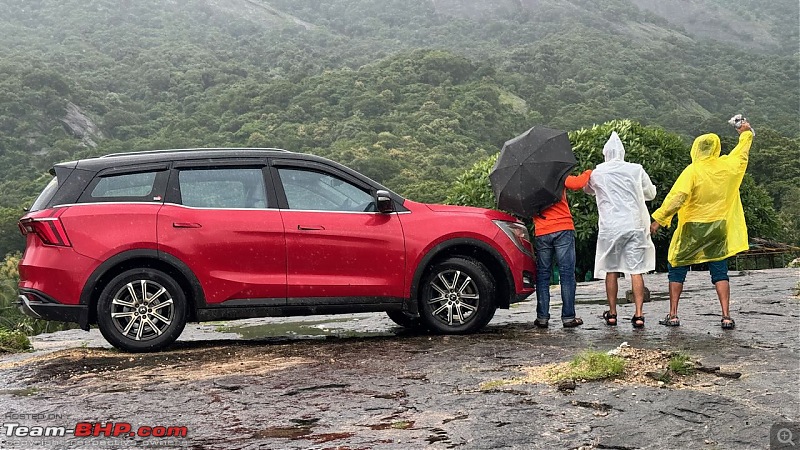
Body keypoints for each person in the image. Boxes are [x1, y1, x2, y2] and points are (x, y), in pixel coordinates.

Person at [650, 120, 754, 329]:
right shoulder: (727, 166)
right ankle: (726, 316)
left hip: (692, 227)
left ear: (696, 148)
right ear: (716, 148)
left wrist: (659, 220)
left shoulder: (692, 170)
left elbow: (677, 197)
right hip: (719, 226)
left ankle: (673, 315)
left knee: (677, 266)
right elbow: (741, 153)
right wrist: (746, 133)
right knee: (719, 269)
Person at [584, 132, 657, 328]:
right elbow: (650, 193)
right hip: (634, 225)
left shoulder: (597, 172)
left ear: (605, 153)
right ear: (623, 152)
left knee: (611, 269)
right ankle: (639, 314)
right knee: (636, 270)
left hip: (611, 227)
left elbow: (588, 190)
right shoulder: (636, 169)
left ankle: (613, 313)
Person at [533, 168, 592, 328]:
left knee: (543, 275)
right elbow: (577, 184)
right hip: (562, 229)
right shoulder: (556, 172)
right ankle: (568, 317)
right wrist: (588, 172)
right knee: (566, 274)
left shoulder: (528, 182)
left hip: (542, 231)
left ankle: (542, 318)